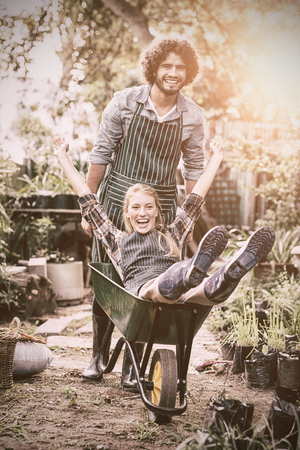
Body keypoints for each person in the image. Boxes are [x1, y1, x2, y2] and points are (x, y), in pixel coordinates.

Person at [82, 35, 206, 385]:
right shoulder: (124, 102)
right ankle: (98, 354)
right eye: (166, 65)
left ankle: (132, 363)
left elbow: (195, 170)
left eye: (180, 67)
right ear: (154, 67)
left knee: (150, 279)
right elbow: (100, 155)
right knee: (108, 277)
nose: (173, 72)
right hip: (118, 199)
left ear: (188, 72)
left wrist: (189, 220)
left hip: (162, 205)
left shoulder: (193, 115)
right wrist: (88, 206)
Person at [54, 136, 275, 325]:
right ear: (127, 213)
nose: (143, 213)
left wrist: (216, 159)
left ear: (157, 211)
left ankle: (226, 275)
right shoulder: (116, 239)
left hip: (179, 296)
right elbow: (88, 198)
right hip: (144, 292)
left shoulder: (173, 233)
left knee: (204, 291)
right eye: (136, 208)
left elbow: (195, 199)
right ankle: (190, 274)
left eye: (149, 207)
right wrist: (63, 157)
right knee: (156, 288)